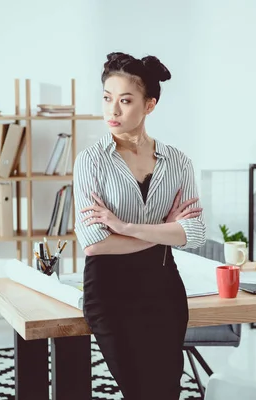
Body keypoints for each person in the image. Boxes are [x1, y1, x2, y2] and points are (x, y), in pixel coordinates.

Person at [73, 51, 206, 400]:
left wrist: (125, 227)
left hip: (163, 288)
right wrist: (164, 231)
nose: (112, 111)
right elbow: (94, 243)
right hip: (109, 291)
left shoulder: (178, 162)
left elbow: (194, 234)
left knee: (166, 391)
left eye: (125, 101)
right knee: (138, 391)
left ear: (149, 105)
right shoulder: (90, 162)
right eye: (107, 99)